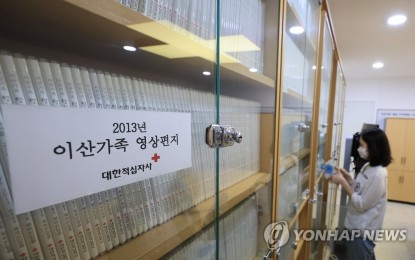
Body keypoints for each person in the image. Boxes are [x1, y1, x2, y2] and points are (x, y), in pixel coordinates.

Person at [331, 128, 392, 260]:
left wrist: (343, 183)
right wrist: (347, 177)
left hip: (363, 234)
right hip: (354, 226)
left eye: (362, 146)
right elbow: (359, 188)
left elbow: (362, 204)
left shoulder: (379, 174)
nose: (359, 149)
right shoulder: (368, 166)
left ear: (374, 148)